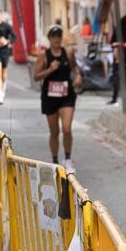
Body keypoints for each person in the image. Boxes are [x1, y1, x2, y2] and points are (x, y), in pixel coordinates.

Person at [34, 25, 82, 171]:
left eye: (59, 36)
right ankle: (55, 160)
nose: (56, 39)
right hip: (50, 97)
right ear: (49, 39)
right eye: (53, 36)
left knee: (66, 128)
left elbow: (74, 68)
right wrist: (50, 69)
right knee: (54, 131)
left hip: (66, 95)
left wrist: (78, 76)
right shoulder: (43, 56)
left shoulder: (68, 52)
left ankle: (67, 158)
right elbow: (36, 76)